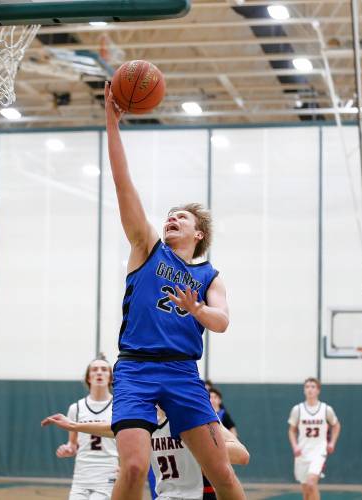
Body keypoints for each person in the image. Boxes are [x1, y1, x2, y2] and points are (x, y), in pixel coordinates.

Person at [103, 82, 245, 500]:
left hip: (184, 373)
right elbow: (123, 183)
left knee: (222, 473)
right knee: (131, 467)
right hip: (135, 368)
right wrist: (112, 123)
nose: (171, 220)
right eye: (169, 216)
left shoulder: (209, 277)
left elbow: (221, 323)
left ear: (198, 232)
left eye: (180, 217)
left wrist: (198, 309)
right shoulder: (147, 248)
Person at [42, 406, 249, 499]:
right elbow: (111, 427)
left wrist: (201, 447)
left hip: (201, 495)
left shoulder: (198, 421)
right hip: (167, 495)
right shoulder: (146, 425)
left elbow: (242, 455)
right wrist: (74, 426)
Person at [53, 357, 117, 500]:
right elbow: (73, 444)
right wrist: (68, 449)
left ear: (111, 377)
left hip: (108, 473)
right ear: (88, 377)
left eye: (104, 369)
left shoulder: (118, 406)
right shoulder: (75, 408)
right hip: (81, 476)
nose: (99, 373)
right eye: (95, 370)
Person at [288, 378, 341, 500]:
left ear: (318, 390)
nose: (309, 389)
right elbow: (291, 430)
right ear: (304, 390)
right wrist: (295, 446)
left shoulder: (326, 409)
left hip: (319, 452)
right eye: (307, 387)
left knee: (312, 483)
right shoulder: (298, 409)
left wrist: (332, 442)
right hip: (302, 453)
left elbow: (336, 425)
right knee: (306, 492)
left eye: (312, 386)